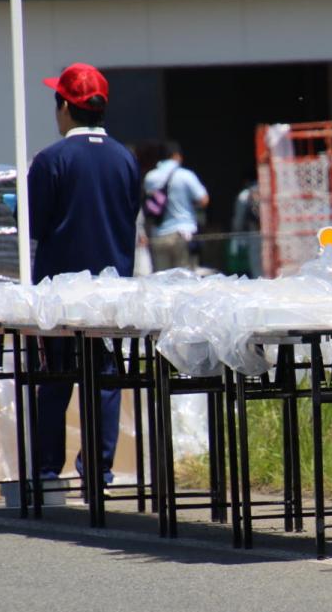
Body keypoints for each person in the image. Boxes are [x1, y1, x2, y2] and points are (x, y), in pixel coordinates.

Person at [29, 62, 140, 485]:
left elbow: (37, 227)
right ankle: (98, 469)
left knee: (54, 380)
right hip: (111, 290)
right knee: (105, 379)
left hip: (60, 292)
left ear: (64, 107)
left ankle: (46, 471)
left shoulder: (51, 159)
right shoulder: (125, 158)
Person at [144, 141, 209, 271]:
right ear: (176, 156)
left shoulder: (150, 177)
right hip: (182, 233)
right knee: (184, 280)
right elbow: (204, 200)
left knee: (162, 282)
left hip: (159, 235)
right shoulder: (185, 175)